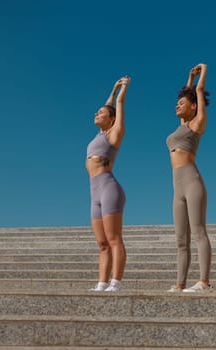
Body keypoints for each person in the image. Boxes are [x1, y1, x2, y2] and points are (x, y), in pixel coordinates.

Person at [166, 63, 212, 293]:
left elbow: (199, 93)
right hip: (177, 187)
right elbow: (188, 92)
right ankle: (180, 284)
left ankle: (204, 282)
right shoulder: (181, 126)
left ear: (193, 107)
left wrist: (202, 72)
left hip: (192, 182)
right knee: (180, 240)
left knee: (198, 231)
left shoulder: (197, 123)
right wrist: (188, 79)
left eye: (182, 103)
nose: (177, 105)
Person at [86, 76, 130, 292]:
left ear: (111, 119)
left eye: (101, 113)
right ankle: (102, 283)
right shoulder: (99, 135)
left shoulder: (114, 134)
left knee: (114, 239)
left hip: (108, 188)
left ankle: (116, 283)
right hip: (94, 192)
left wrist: (123, 89)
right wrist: (112, 88)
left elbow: (117, 106)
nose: (97, 114)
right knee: (102, 243)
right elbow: (109, 104)